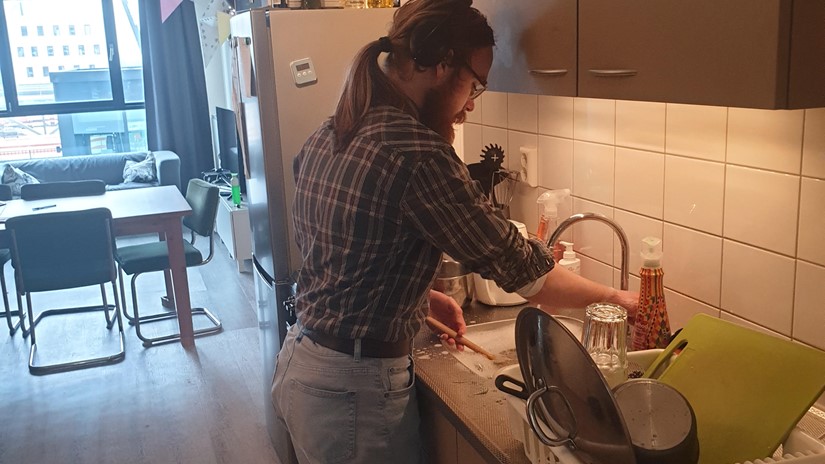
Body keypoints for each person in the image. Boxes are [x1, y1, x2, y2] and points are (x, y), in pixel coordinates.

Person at [270, 0, 639, 463]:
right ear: (442, 65)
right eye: (474, 84)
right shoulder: (419, 155)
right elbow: (525, 271)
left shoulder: (336, 128)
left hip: (303, 363)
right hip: (353, 394)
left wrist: (417, 299)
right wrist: (617, 298)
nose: (469, 104)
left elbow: (341, 254)